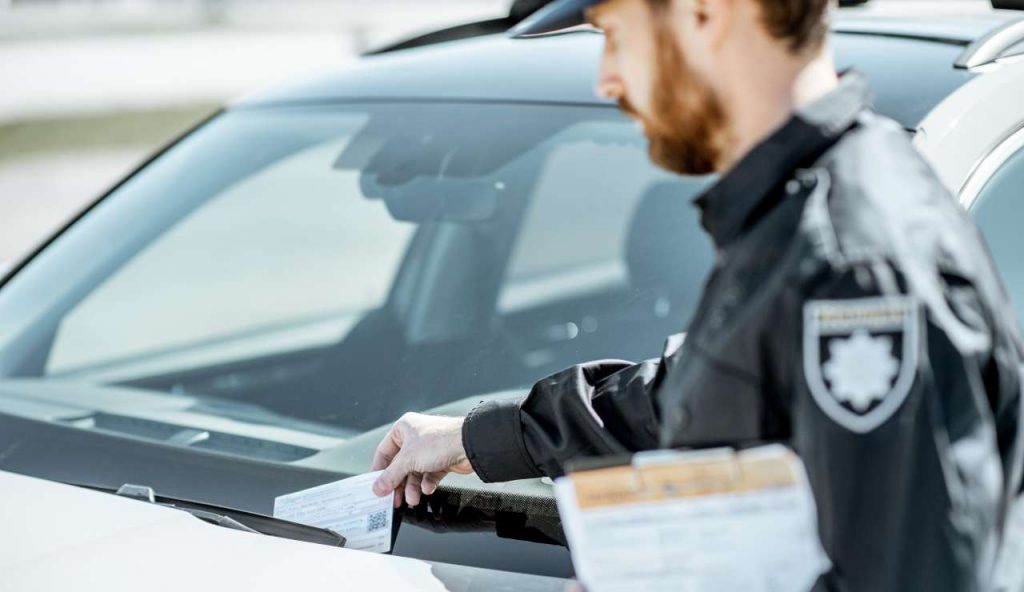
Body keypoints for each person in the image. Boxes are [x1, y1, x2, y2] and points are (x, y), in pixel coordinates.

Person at [370, 0, 1024, 589]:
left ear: (707, 14)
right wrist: (480, 438)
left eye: (615, 35)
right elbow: (702, 396)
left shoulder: (852, 264)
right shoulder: (799, 217)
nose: (606, 77)